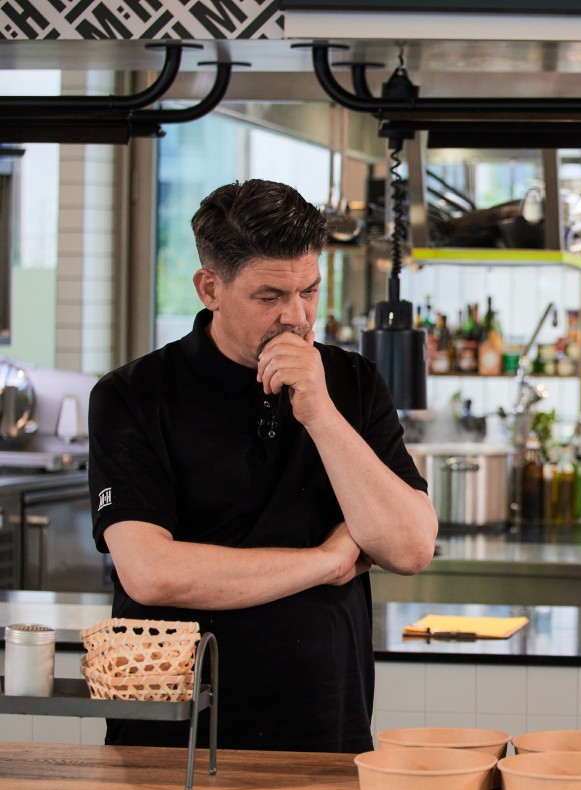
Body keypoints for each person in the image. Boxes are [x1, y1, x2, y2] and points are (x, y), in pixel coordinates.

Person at [88, 178, 438, 752]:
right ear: (210, 288)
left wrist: (321, 413)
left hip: (324, 723)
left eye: (309, 291)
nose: (297, 318)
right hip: (170, 736)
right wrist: (327, 560)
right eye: (269, 297)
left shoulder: (351, 383)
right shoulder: (134, 394)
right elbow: (151, 572)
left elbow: (409, 548)